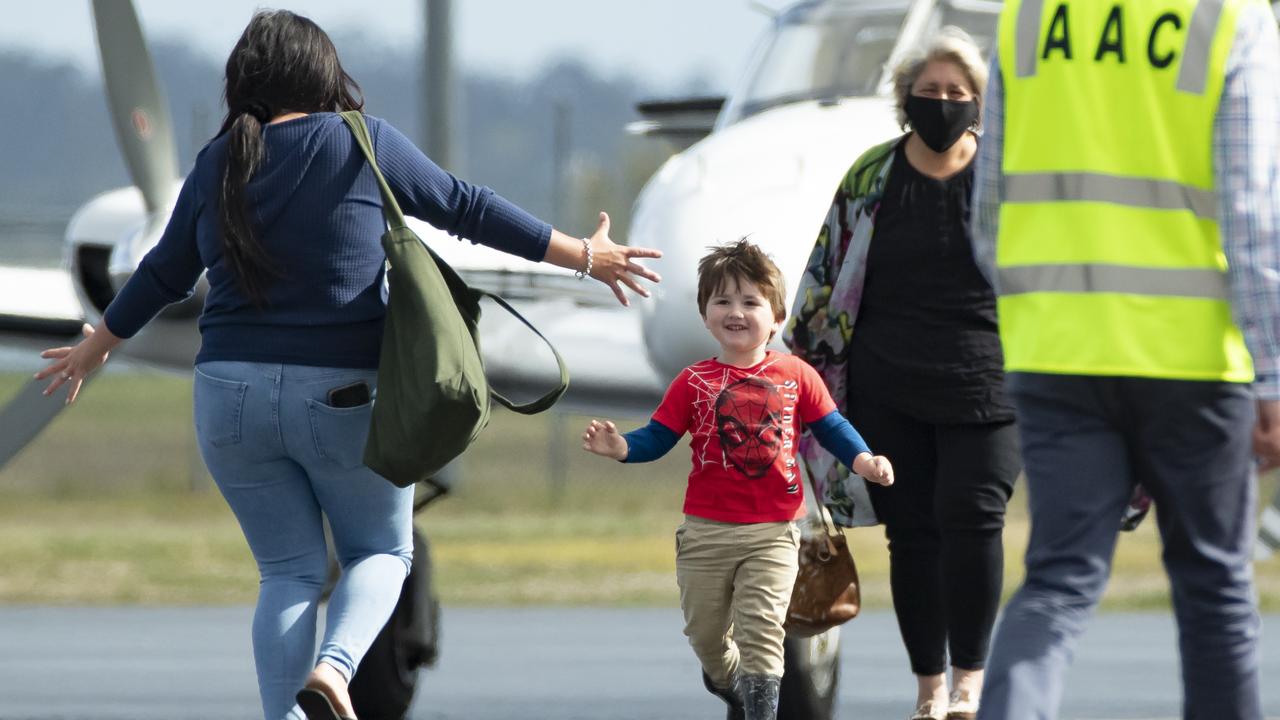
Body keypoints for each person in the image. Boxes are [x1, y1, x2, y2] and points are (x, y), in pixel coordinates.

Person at [34, 10, 661, 720]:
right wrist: (584, 254)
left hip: (227, 400)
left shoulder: (216, 163)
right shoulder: (360, 142)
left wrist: (97, 346)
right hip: (340, 396)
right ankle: (335, 671)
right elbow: (466, 209)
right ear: (324, 75)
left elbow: (162, 274)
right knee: (381, 554)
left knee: (287, 572)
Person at [970, 2, 1280, 719]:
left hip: (1057, 350)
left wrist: (1041, 311)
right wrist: (1272, 370)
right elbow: (1252, 213)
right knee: (1215, 592)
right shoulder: (1230, 18)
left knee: (1055, 583)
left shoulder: (1029, 15)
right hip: (1194, 358)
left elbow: (989, 212)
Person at [786, 28, 1018, 720]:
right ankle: (929, 692)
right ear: (904, 99)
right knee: (912, 535)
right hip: (889, 387)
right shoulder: (869, 177)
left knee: (975, 522)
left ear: (979, 103)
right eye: (930, 92)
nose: (943, 104)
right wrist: (795, 369)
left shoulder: (1008, 179)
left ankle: (970, 686)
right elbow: (824, 276)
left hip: (990, 386)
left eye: (957, 94)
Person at [581, 240, 893, 720]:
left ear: (776, 315)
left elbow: (832, 427)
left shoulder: (796, 375)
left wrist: (864, 460)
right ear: (705, 314)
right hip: (706, 533)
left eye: (751, 302)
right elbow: (658, 437)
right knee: (707, 637)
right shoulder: (693, 381)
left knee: (763, 629)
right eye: (722, 301)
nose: (736, 311)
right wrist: (621, 447)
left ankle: (761, 710)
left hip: (774, 533)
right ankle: (728, 680)